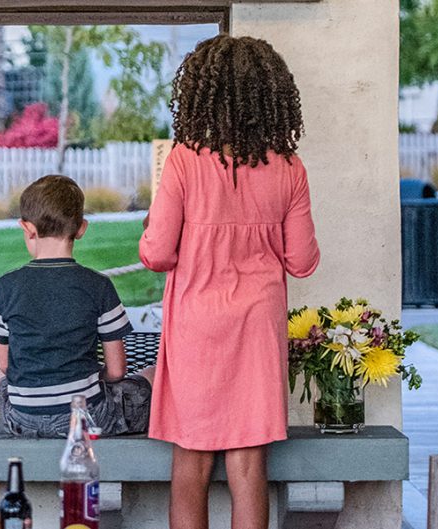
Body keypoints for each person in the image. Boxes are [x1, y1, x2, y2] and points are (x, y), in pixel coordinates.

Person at [139, 35, 320, 529]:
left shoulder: (181, 162)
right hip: (257, 331)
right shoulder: (289, 168)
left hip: (196, 329)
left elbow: (156, 254)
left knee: (190, 463)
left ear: (199, 94)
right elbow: (302, 262)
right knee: (248, 464)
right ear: (271, 96)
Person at [0, 174, 153, 438]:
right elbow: (117, 370)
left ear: (26, 228)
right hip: (86, 418)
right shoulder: (99, 286)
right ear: (82, 228)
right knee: (152, 375)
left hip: (21, 419)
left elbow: (6, 367)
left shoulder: (5, 287)